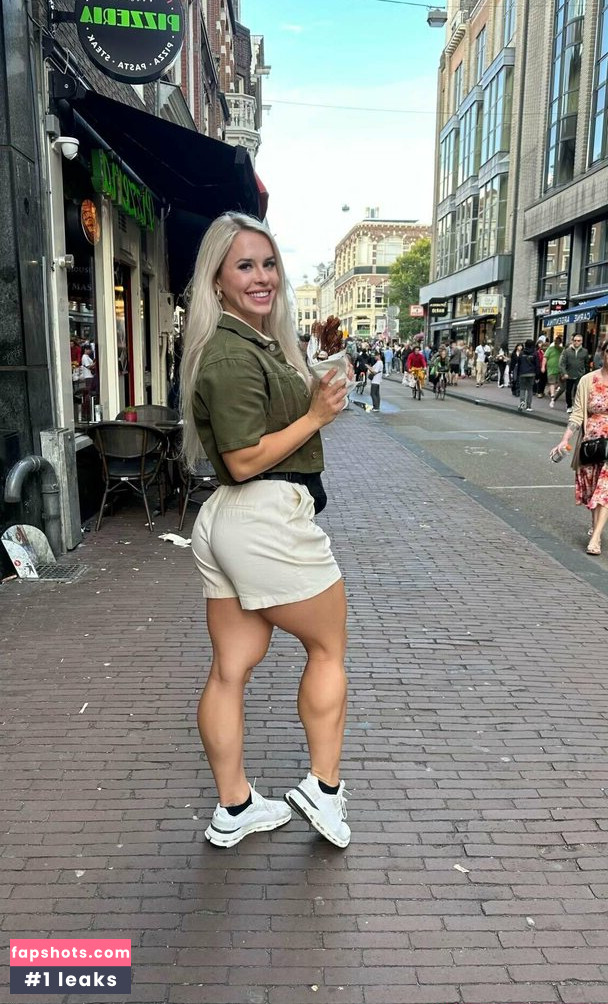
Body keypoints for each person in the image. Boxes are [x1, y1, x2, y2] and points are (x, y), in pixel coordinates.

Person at [180, 212, 350, 849]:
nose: (262, 277)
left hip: (228, 519)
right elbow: (245, 457)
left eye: (269, 263)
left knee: (231, 669)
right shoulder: (231, 353)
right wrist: (315, 417)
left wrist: (316, 392)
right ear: (217, 280)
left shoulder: (251, 343)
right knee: (328, 649)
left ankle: (235, 807)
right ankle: (324, 790)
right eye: (244, 266)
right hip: (265, 513)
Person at [552, 339, 608, 555]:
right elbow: (577, 414)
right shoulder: (588, 380)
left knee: (605, 490)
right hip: (591, 445)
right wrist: (565, 439)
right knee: (594, 489)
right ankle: (595, 526)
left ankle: (596, 538)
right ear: (602, 354)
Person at [559, 333, 590, 413]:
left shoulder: (585, 351)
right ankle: (569, 406)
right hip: (569, 374)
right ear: (573, 341)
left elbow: (587, 363)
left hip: (580, 375)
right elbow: (562, 363)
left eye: (578, 341)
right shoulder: (567, 351)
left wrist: (586, 374)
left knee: (578, 391)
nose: (576, 342)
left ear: (581, 341)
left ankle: (576, 406)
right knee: (568, 391)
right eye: (575, 340)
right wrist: (564, 373)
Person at [517, 339, 540, 412]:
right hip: (531, 373)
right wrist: (537, 375)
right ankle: (528, 406)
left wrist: (518, 373)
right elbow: (537, 365)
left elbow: (519, 364)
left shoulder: (522, 353)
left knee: (522, 388)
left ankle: (522, 401)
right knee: (530, 389)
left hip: (522, 373)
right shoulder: (535, 353)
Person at [544, 336, 563, 407]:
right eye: (555, 341)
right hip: (551, 369)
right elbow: (545, 357)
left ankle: (551, 391)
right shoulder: (550, 349)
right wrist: (543, 366)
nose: (556, 343)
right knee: (552, 382)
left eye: (558, 341)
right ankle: (552, 395)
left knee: (558, 383)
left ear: (560, 342)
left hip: (560, 369)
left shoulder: (562, 349)